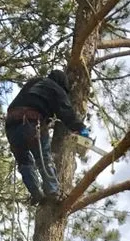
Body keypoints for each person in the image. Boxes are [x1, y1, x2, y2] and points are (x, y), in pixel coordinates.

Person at [5, 69, 90, 204]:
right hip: (31, 123)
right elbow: (66, 112)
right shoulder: (56, 88)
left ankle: (36, 194)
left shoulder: (34, 82)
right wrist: (81, 128)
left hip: (11, 126)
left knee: (24, 163)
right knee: (44, 158)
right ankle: (53, 192)